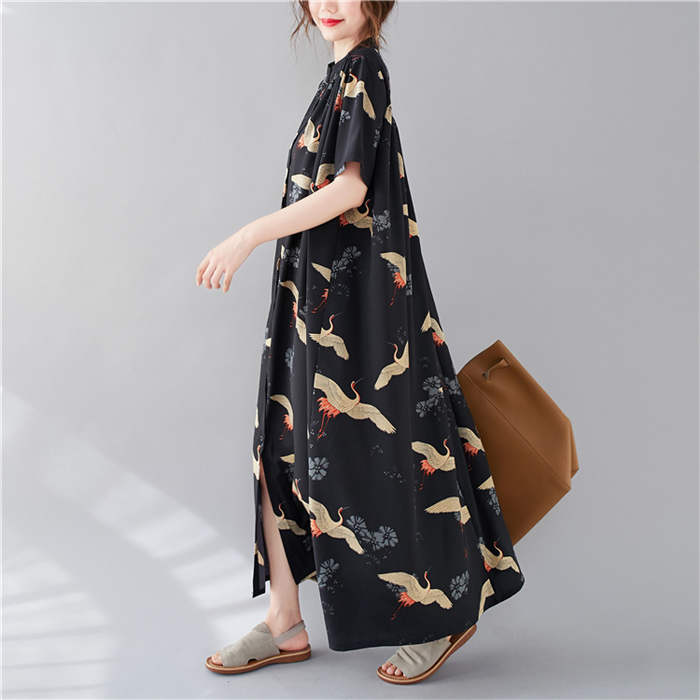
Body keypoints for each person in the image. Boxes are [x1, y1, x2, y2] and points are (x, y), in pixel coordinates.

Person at [198, 0, 525, 684]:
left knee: (390, 452)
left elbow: (349, 190)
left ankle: (445, 611)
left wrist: (249, 234)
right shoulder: (337, 78)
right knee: (280, 447)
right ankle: (285, 619)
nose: (327, 4)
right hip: (315, 299)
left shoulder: (365, 71)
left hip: (357, 304)